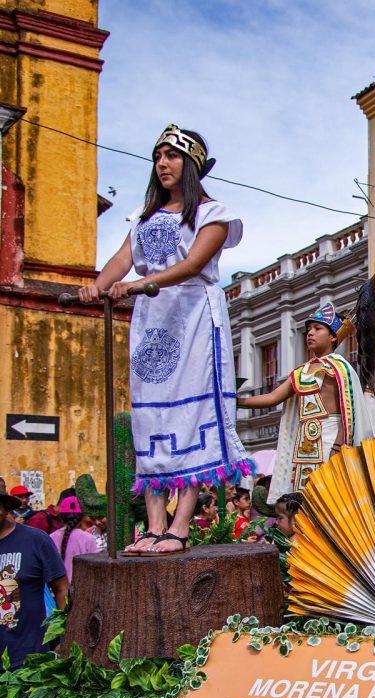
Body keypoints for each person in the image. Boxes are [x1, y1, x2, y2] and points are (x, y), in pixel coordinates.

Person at [81, 125, 252, 555]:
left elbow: (193, 264)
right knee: (151, 417)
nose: (162, 164)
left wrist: (137, 285)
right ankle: (155, 525)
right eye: (158, 156)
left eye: (172, 156)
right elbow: (122, 259)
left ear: (192, 165)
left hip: (194, 316)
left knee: (193, 415)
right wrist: (96, 288)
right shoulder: (144, 218)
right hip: (152, 319)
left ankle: (180, 525)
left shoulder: (213, 213)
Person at [239, 303, 373, 502]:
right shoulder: (301, 371)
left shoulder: (340, 368)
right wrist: (236, 401)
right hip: (304, 447)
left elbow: (349, 412)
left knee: (330, 499)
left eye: (317, 328)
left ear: (333, 337)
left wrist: (338, 447)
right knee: (303, 500)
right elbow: (273, 397)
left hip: (330, 444)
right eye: (309, 329)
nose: (310, 333)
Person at [0, 492, 68, 669]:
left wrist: (65, 636)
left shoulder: (35, 540)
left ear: (5, 507)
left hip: (28, 660)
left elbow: (61, 588)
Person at [47, 496, 99, 586]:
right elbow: (95, 569)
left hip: (56, 590)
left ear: (60, 517)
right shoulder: (89, 539)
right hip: (82, 589)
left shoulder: (50, 538)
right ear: (81, 517)